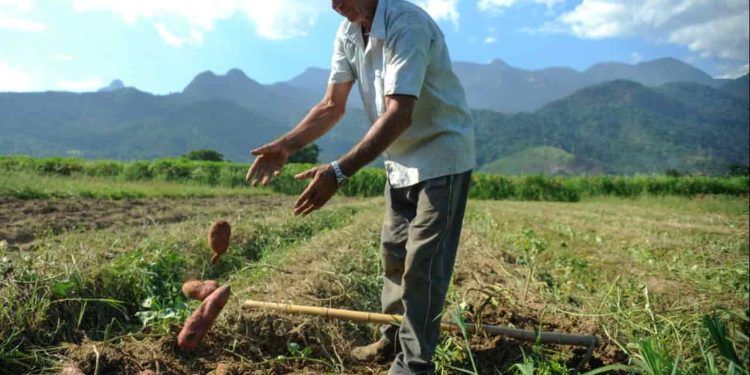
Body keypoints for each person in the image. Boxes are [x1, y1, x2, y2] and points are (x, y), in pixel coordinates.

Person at [246, 0, 475, 373]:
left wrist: (339, 171)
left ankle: (414, 365)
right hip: (398, 161)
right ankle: (391, 337)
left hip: (441, 157)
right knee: (394, 254)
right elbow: (331, 105)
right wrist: (287, 145)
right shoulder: (349, 32)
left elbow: (399, 113)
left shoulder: (407, 24)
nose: (336, 6)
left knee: (424, 264)